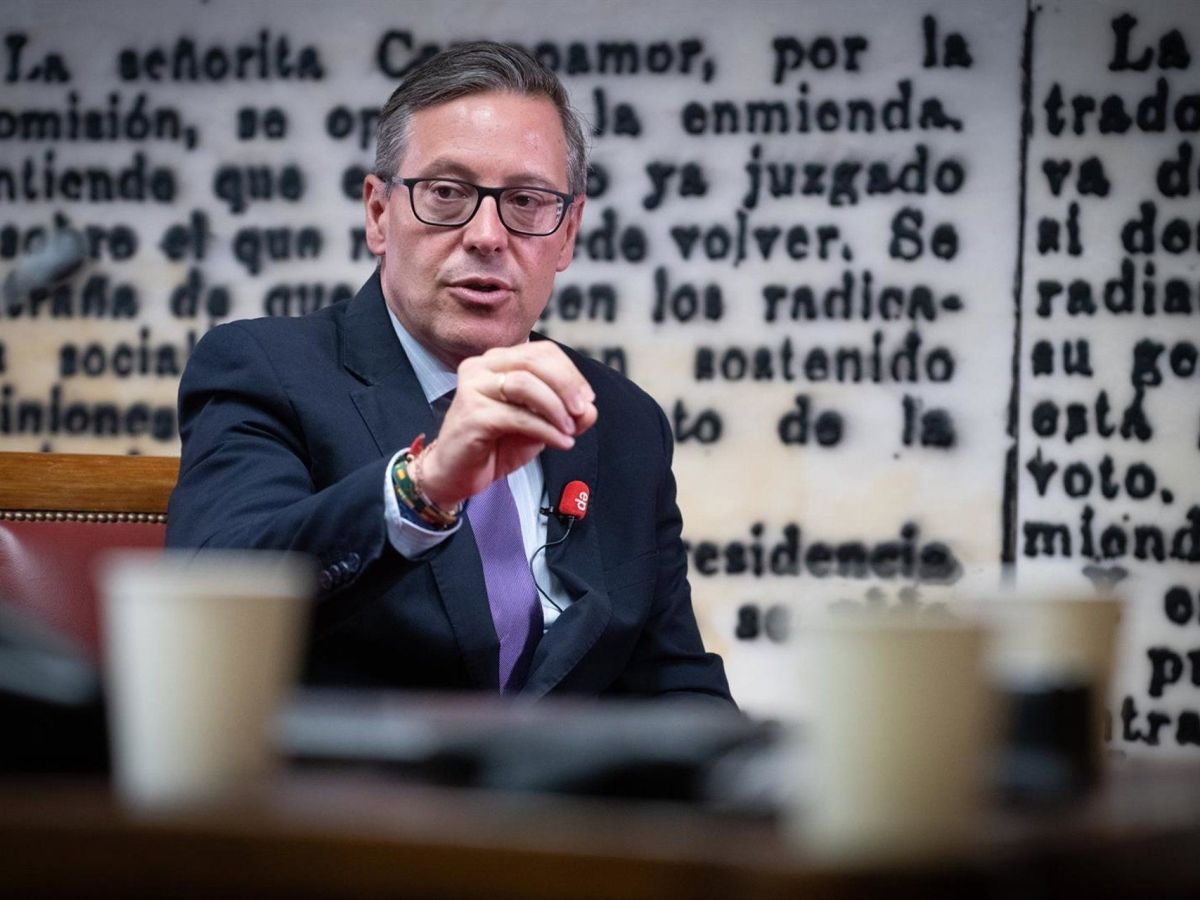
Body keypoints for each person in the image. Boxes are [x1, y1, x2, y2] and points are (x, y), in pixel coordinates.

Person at [166, 42, 733, 704]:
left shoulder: (622, 419)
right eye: (446, 193)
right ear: (379, 214)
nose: (487, 235)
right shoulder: (265, 369)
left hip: (573, 775)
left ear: (569, 231)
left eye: (526, 200)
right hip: (351, 770)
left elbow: (676, 684)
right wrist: (425, 486)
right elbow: (214, 598)